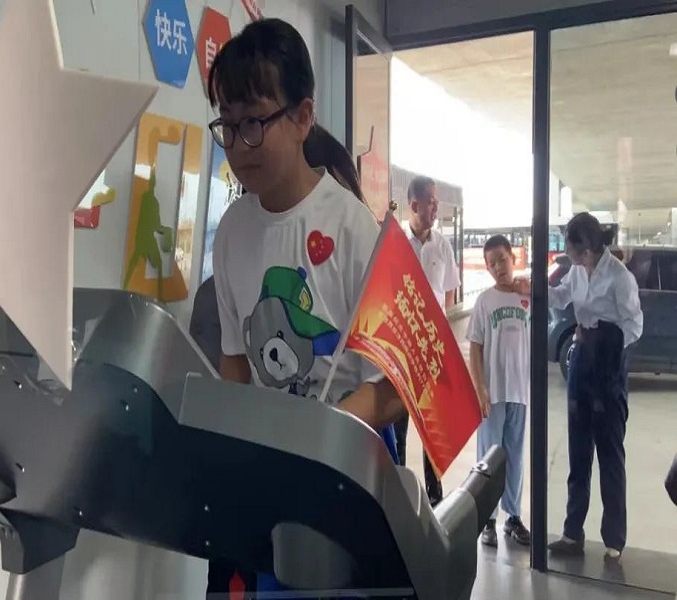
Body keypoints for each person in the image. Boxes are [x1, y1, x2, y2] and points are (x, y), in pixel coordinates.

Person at [205, 19, 405, 595]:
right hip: (272, 473)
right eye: (227, 124)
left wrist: (321, 432)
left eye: (254, 122)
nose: (238, 144)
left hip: (351, 473)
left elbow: (394, 388)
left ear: (302, 116)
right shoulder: (231, 232)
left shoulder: (355, 230)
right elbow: (236, 363)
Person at [539, 212, 643, 564]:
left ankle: (614, 539)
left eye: (570, 248)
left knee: (610, 452)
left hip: (608, 367)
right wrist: (533, 288)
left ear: (586, 248)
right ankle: (573, 533)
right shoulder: (578, 271)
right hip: (582, 360)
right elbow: (560, 298)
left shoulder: (619, 277)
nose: (566, 254)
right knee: (578, 449)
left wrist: (604, 341)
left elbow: (635, 325)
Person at [394, 176, 460, 505]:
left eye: (437, 201)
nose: (436, 207)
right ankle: (398, 494)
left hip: (432, 352)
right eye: (431, 201)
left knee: (433, 430)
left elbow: (449, 296)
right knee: (398, 424)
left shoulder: (443, 246)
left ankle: (436, 499)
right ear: (414, 204)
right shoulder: (394, 243)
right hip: (401, 350)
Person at [467, 235, 530, 548]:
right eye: (492, 264)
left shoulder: (526, 298)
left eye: (502, 260)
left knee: (515, 457)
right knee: (489, 459)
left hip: (519, 393)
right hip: (492, 396)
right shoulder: (484, 301)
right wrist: (480, 390)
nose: (498, 267)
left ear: (513, 259)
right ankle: (487, 520)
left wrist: (530, 288)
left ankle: (513, 517)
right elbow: (475, 348)